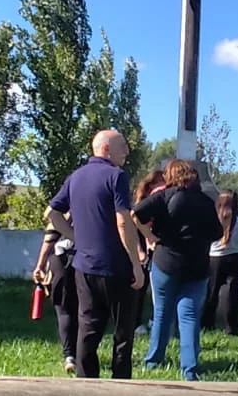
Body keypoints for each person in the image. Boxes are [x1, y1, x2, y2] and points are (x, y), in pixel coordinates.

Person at [45, 130, 145, 379]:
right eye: (123, 146)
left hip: (84, 266)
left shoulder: (76, 177)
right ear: (106, 149)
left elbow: (52, 214)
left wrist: (74, 237)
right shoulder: (116, 176)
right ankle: (120, 385)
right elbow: (123, 221)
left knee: (87, 329)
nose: (127, 152)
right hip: (116, 266)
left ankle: (86, 384)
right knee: (123, 333)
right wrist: (136, 262)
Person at [133, 160, 223, 381]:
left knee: (162, 313)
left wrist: (150, 237)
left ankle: (154, 360)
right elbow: (217, 233)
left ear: (170, 175)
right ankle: (189, 369)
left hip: (166, 263)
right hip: (197, 266)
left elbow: (134, 214)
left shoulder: (165, 196)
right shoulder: (205, 201)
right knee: (190, 316)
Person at [33, 217, 78, 373]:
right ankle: (82, 352)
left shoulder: (64, 204)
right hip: (86, 258)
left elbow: (50, 236)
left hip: (59, 259)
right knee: (84, 308)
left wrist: (40, 266)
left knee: (63, 309)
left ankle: (70, 356)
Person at [203, 190, 238, 336]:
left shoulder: (211, 219)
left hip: (214, 259)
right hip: (234, 258)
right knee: (231, 294)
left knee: (211, 292)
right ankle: (231, 327)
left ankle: (207, 323)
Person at [133, 170, 167, 337]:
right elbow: (134, 228)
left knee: (157, 289)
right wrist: (140, 251)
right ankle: (136, 322)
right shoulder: (144, 204)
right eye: (161, 182)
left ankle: (155, 320)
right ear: (151, 185)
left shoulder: (163, 202)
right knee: (139, 288)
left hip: (153, 250)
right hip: (140, 248)